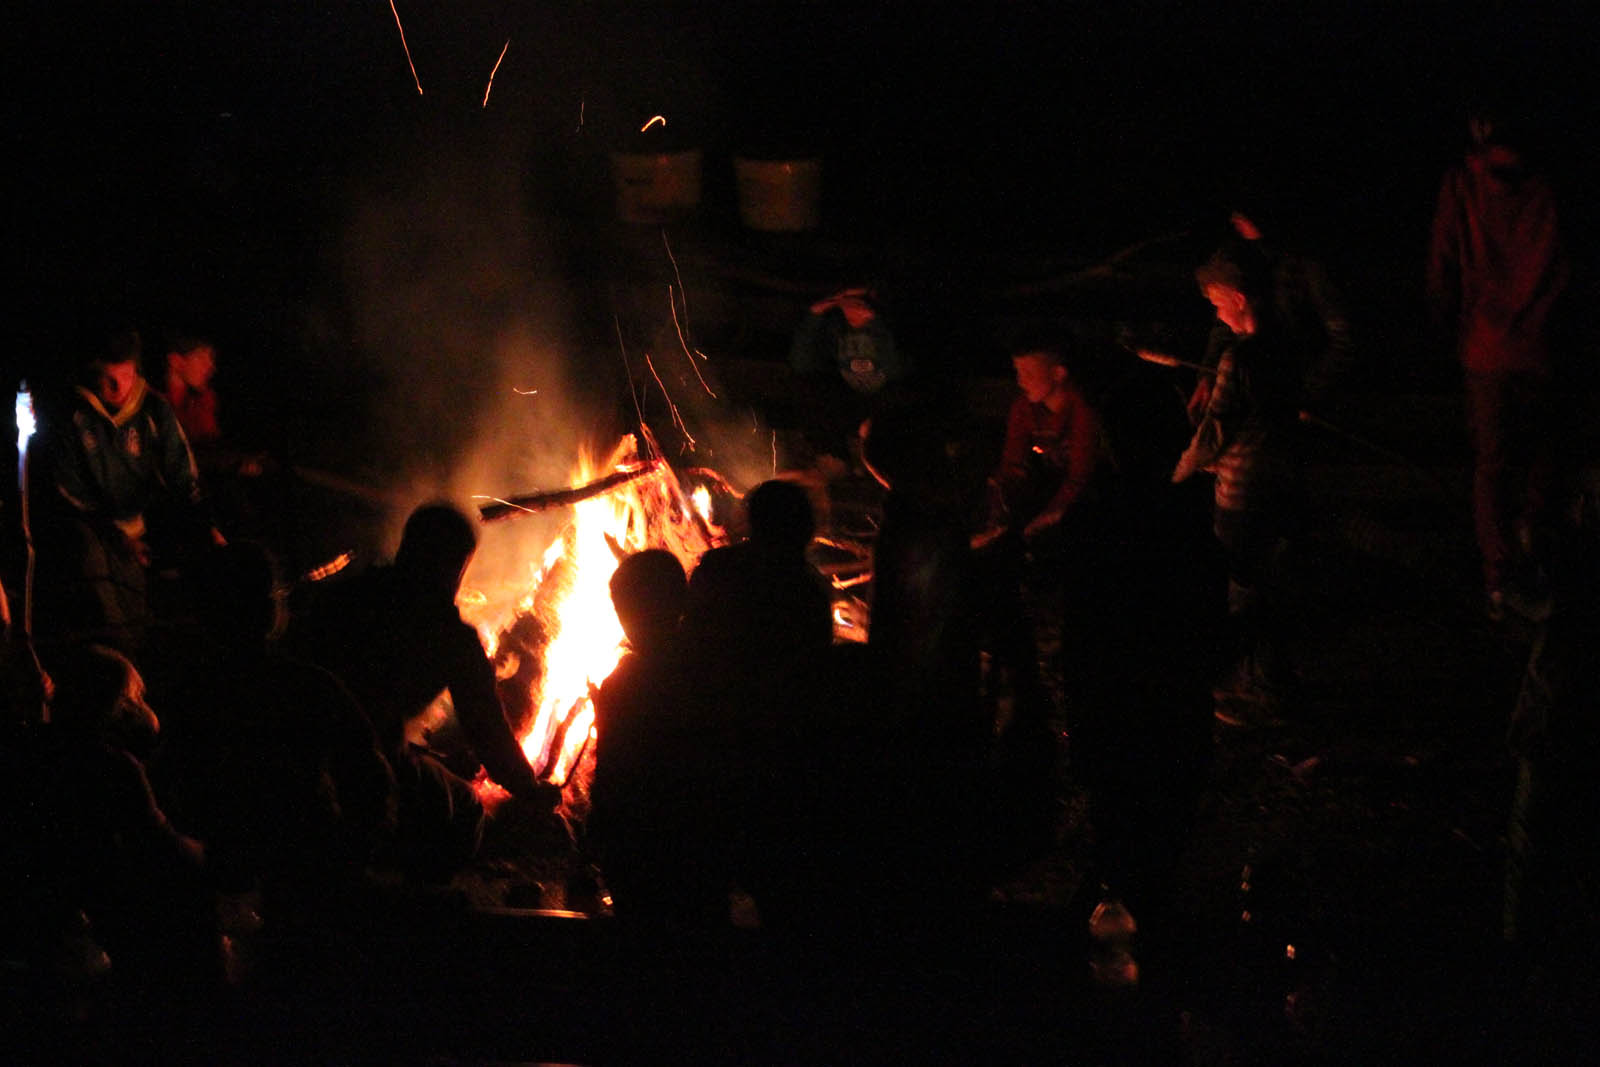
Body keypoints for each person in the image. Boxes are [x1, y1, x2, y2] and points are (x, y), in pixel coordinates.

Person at [291, 503, 557, 881]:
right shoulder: (449, 636)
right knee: (465, 807)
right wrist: (528, 788)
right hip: (366, 765)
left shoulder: (347, 596)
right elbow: (486, 731)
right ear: (457, 566)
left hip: (300, 751)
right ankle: (419, 897)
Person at [1426, 107, 1569, 622]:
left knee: (1491, 463)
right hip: (1539, 343)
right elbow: (1565, 263)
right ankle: (1533, 536)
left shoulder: (1464, 183)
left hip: (1484, 347)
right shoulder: (1547, 186)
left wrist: (1445, 327)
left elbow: (1442, 260)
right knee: (1541, 448)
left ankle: (1500, 578)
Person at [24, 323, 221, 653]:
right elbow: (68, 490)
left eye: (126, 376)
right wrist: (117, 536)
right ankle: (115, 657)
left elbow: (182, 474)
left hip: (136, 525)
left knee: (137, 607)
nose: (119, 388)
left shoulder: (153, 410)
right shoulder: (73, 417)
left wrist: (207, 526)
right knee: (100, 590)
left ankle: (141, 658)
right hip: (91, 528)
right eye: (108, 379)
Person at [1173, 239, 1299, 722]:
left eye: (1217, 301)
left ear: (1239, 299)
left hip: (1242, 492)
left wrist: (1182, 468)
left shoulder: (1239, 359)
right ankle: (1271, 684)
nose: (1215, 310)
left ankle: (1255, 689)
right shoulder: (1284, 348)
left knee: (1243, 592)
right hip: (1280, 482)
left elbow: (1217, 430)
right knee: (1270, 586)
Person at [990, 346, 1104, 543]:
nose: (1020, 381)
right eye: (1018, 372)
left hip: (1091, 494)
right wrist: (997, 504)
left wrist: (1046, 518)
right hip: (1053, 485)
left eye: (1028, 373)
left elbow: (1080, 477)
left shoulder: (1082, 409)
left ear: (1058, 373)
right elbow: (1012, 464)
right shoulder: (1023, 408)